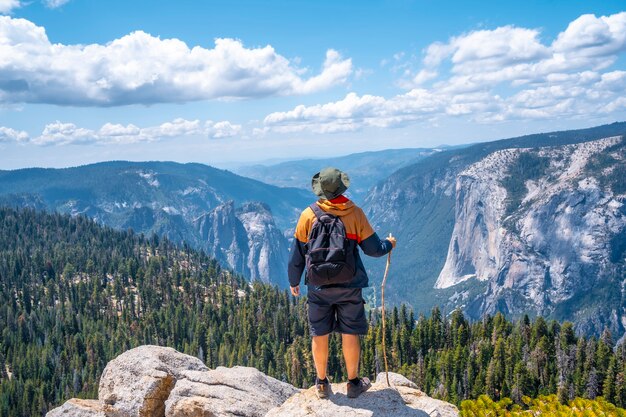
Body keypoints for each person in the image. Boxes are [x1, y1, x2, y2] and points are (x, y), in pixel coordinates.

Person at [288, 167, 396, 399]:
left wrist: (293, 281)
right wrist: (389, 244)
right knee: (350, 332)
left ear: (321, 191)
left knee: (319, 333)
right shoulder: (354, 213)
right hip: (349, 285)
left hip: (317, 287)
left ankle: (322, 384)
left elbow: (297, 253)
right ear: (342, 188)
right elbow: (374, 249)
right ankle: (353, 383)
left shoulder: (307, 215)